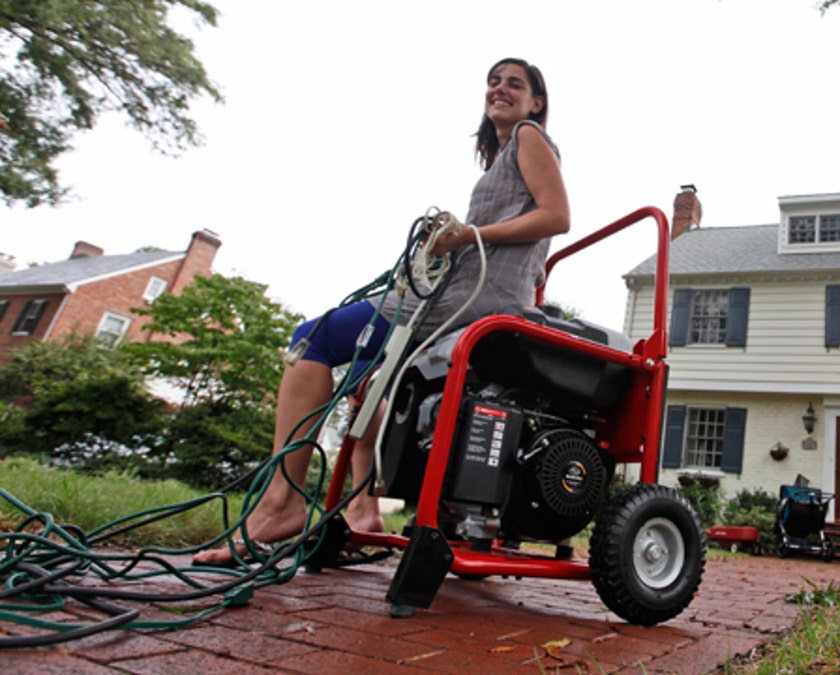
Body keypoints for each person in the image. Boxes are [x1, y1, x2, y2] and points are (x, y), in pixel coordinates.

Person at [193, 57, 569, 566]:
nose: (499, 89)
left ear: (536, 102)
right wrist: (448, 243)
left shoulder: (529, 136)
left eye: (515, 83)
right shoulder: (502, 158)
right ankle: (364, 509)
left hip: (478, 298)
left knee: (314, 338)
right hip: (467, 289)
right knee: (369, 383)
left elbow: (557, 216)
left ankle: (281, 504)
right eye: (493, 81)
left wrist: (467, 235)